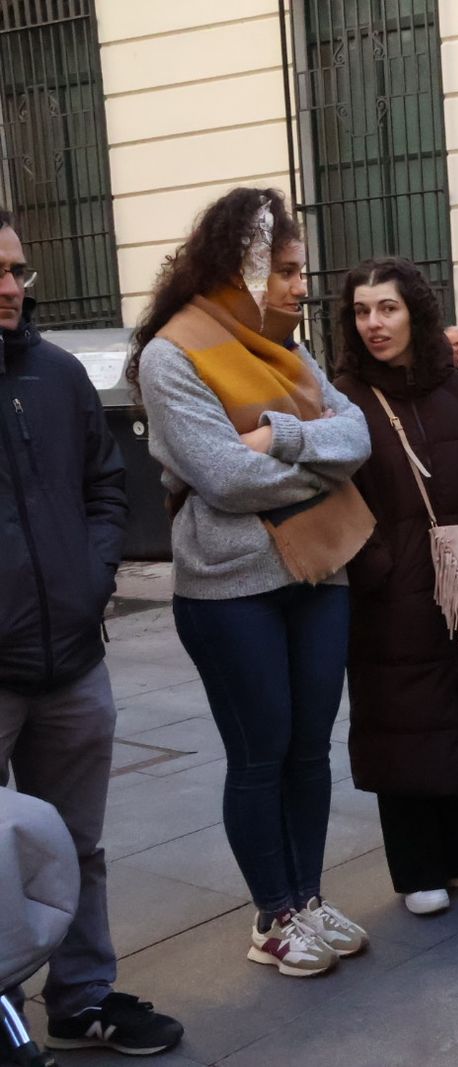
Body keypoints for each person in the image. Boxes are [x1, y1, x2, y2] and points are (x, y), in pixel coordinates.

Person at [130, 187, 373, 979]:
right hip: (231, 589)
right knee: (261, 753)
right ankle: (272, 916)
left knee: (309, 750)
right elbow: (225, 478)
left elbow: (358, 433)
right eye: (290, 270)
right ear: (245, 267)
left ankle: (305, 896)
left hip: (319, 571)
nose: (304, 285)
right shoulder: (172, 355)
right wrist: (322, 473)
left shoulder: (288, 349)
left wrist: (286, 435)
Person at [0, 209, 184, 1056]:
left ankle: (82, 998)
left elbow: (107, 489)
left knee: (76, 845)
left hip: (71, 660)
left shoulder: (59, 374)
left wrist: (94, 575)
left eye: (18, 271)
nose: (10, 287)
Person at [333, 258, 458, 916]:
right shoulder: (346, 398)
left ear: (414, 310)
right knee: (403, 723)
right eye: (362, 311)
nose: (374, 323)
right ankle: (417, 867)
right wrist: (377, 567)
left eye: (386, 308)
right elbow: (337, 500)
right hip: (392, 597)